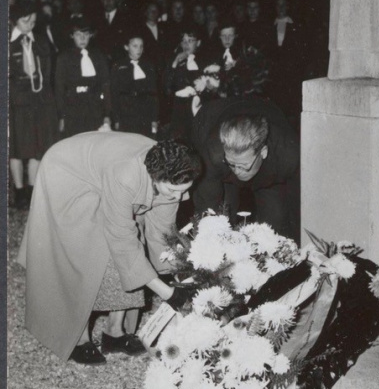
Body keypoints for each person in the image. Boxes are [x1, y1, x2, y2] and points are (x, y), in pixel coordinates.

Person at [17, 135, 200, 364]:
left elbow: (162, 236)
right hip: (66, 172)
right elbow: (122, 240)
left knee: (136, 243)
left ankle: (115, 333)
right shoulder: (126, 175)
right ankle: (79, 338)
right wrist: (168, 294)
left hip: (103, 169)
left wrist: (182, 278)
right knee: (84, 248)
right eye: (173, 191)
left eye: (184, 191)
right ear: (156, 177)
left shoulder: (174, 178)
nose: (178, 197)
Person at [191, 96, 300, 242]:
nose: (237, 171)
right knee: (222, 219)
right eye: (232, 163)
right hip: (214, 122)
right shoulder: (214, 154)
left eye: (243, 166)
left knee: (275, 225)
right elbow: (207, 206)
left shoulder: (288, 156)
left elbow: (298, 211)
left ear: (263, 152)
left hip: (271, 169)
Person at [9, 0, 59, 209]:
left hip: (38, 100)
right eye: (25, 19)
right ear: (14, 20)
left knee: (38, 144)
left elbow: (47, 73)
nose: (30, 24)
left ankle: (31, 189)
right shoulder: (8, 42)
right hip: (15, 101)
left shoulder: (40, 41)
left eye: (33, 20)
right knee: (17, 146)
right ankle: (19, 191)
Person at [54, 18, 112, 138]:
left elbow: (106, 86)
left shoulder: (99, 56)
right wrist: (61, 116)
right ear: (71, 36)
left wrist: (107, 114)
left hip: (95, 109)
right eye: (78, 35)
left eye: (86, 34)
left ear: (91, 35)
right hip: (73, 110)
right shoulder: (64, 58)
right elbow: (59, 90)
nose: (82, 39)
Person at [110, 34, 160, 137]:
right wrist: (116, 119)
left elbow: (154, 95)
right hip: (126, 113)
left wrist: (154, 119)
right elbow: (114, 94)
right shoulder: (118, 66)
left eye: (141, 46)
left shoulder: (148, 66)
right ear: (126, 47)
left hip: (145, 113)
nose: (139, 49)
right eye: (135, 46)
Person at [163, 27, 203, 140]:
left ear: (198, 43)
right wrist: (175, 63)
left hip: (199, 109)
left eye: (190, 40)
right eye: (184, 41)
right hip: (180, 111)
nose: (186, 44)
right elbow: (167, 87)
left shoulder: (204, 62)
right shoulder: (174, 61)